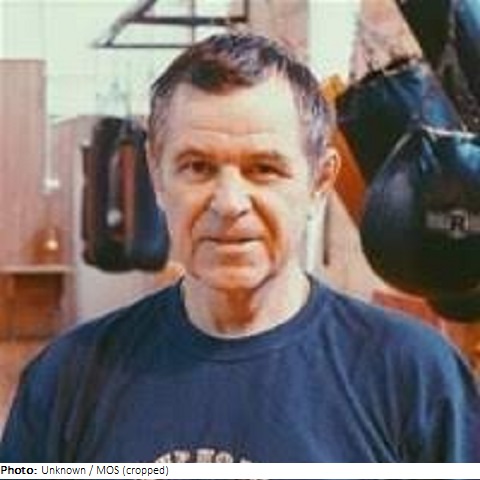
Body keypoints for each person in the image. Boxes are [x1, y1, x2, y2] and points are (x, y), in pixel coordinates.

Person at [1, 32, 479, 463]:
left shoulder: (416, 378)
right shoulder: (66, 380)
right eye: (197, 167)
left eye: (264, 169)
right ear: (157, 175)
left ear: (319, 181)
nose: (229, 203)